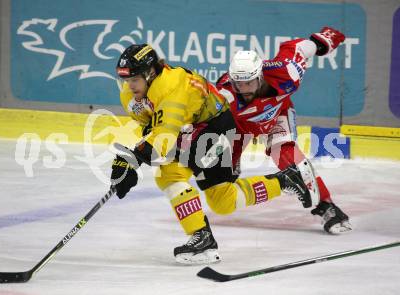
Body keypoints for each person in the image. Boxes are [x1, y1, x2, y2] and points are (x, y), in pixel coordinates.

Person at [109, 44, 315, 265]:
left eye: (135, 79)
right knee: (223, 201)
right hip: (194, 129)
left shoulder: (171, 88)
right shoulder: (132, 94)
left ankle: (202, 238)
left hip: (216, 127)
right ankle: (285, 180)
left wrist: (132, 159)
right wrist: (132, 159)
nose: (130, 85)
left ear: (150, 73)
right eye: (126, 80)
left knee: (169, 173)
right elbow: (152, 128)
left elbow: (163, 138)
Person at [215, 27, 352, 234]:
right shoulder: (224, 96)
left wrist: (322, 41)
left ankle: (327, 206)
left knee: (290, 158)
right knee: (221, 176)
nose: (243, 89)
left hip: (277, 115)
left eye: (249, 82)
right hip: (239, 127)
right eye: (238, 83)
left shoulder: (286, 72)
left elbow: (300, 48)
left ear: (260, 76)